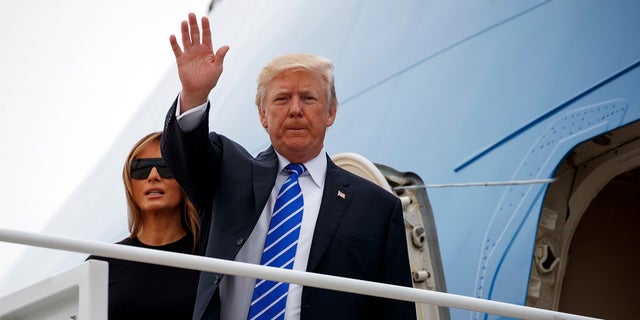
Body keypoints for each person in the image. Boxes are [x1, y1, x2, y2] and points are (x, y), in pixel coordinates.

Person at [161, 13, 416, 320]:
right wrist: (194, 95)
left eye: (308, 98)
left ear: (331, 112)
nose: (295, 110)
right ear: (263, 114)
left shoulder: (376, 207)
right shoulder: (227, 173)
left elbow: (395, 310)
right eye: (282, 99)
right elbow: (187, 153)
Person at [88, 132, 201, 319]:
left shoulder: (210, 258)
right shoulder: (102, 264)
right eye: (141, 168)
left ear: (184, 178)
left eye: (166, 166)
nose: (153, 176)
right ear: (130, 184)